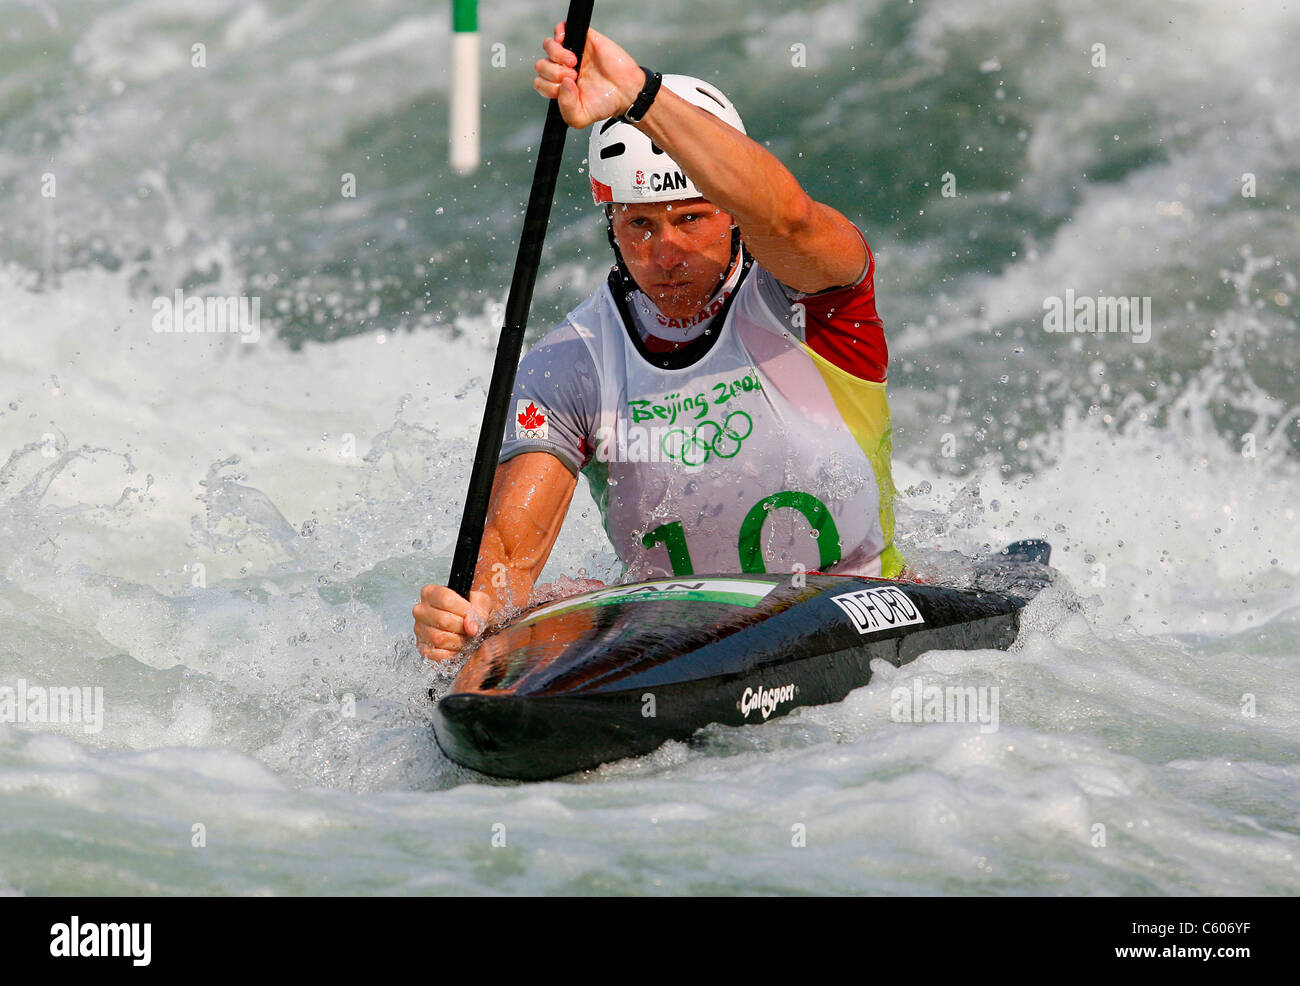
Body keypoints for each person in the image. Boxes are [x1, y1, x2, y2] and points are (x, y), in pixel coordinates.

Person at [414, 22, 899, 662]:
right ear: (611, 223)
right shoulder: (570, 365)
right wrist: (467, 615)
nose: (664, 252)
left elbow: (789, 217)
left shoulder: (814, 299)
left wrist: (638, 95)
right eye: (639, 223)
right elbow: (507, 555)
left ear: (730, 210)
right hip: (680, 644)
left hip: (851, 602)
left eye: (691, 218)